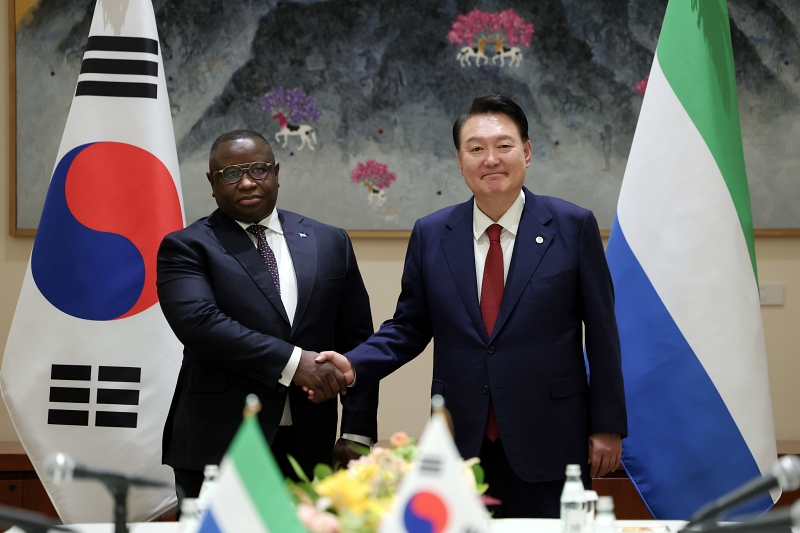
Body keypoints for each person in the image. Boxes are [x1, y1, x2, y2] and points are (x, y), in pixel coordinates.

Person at [315, 95, 627, 518]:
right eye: (476, 148)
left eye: (504, 145)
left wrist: (607, 426)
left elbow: (603, 333)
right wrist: (354, 364)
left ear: (527, 152)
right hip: (460, 439)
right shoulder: (432, 233)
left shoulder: (573, 226)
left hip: (551, 435)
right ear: (460, 160)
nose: (491, 159)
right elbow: (408, 326)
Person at [157, 130, 378, 497]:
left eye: (258, 170)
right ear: (212, 183)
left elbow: (357, 342)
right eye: (230, 174)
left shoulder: (329, 241)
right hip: (222, 443)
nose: (246, 182)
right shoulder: (187, 247)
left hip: (312, 447)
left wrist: (355, 432)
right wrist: (294, 362)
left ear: (276, 173)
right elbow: (200, 324)